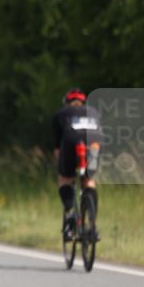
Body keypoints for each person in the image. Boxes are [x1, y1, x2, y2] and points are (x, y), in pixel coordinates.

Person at [52, 88, 101, 237]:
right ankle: (92, 224)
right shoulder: (94, 112)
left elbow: (58, 149)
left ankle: (70, 214)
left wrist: (61, 168)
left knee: (65, 179)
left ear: (67, 102)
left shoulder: (60, 114)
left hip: (71, 140)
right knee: (89, 180)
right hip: (94, 141)